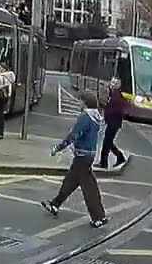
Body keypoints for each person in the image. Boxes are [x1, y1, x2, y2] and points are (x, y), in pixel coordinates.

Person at [40, 90, 109, 228]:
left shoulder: (86, 116)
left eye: (80, 100)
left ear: (85, 102)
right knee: (71, 181)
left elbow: (74, 135)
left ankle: (98, 217)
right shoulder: (96, 116)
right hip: (88, 155)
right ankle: (55, 204)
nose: (78, 103)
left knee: (88, 188)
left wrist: (58, 148)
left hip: (82, 156)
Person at [98, 76, 127, 170]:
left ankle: (106, 162)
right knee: (108, 142)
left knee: (107, 142)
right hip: (113, 122)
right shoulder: (113, 94)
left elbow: (114, 110)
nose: (111, 85)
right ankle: (114, 159)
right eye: (111, 83)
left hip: (114, 123)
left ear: (117, 86)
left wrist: (107, 115)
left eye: (113, 84)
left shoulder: (116, 96)